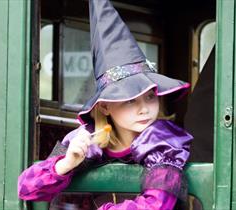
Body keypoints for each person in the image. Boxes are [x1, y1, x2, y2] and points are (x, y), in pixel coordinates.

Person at [18, 0, 192, 209]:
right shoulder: (88, 140)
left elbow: (157, 205)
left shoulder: (163, 144)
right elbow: (26, 188)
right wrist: (67, 163)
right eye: (130, 100)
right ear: (105, 106)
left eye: (150, 97)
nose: (144, 108)